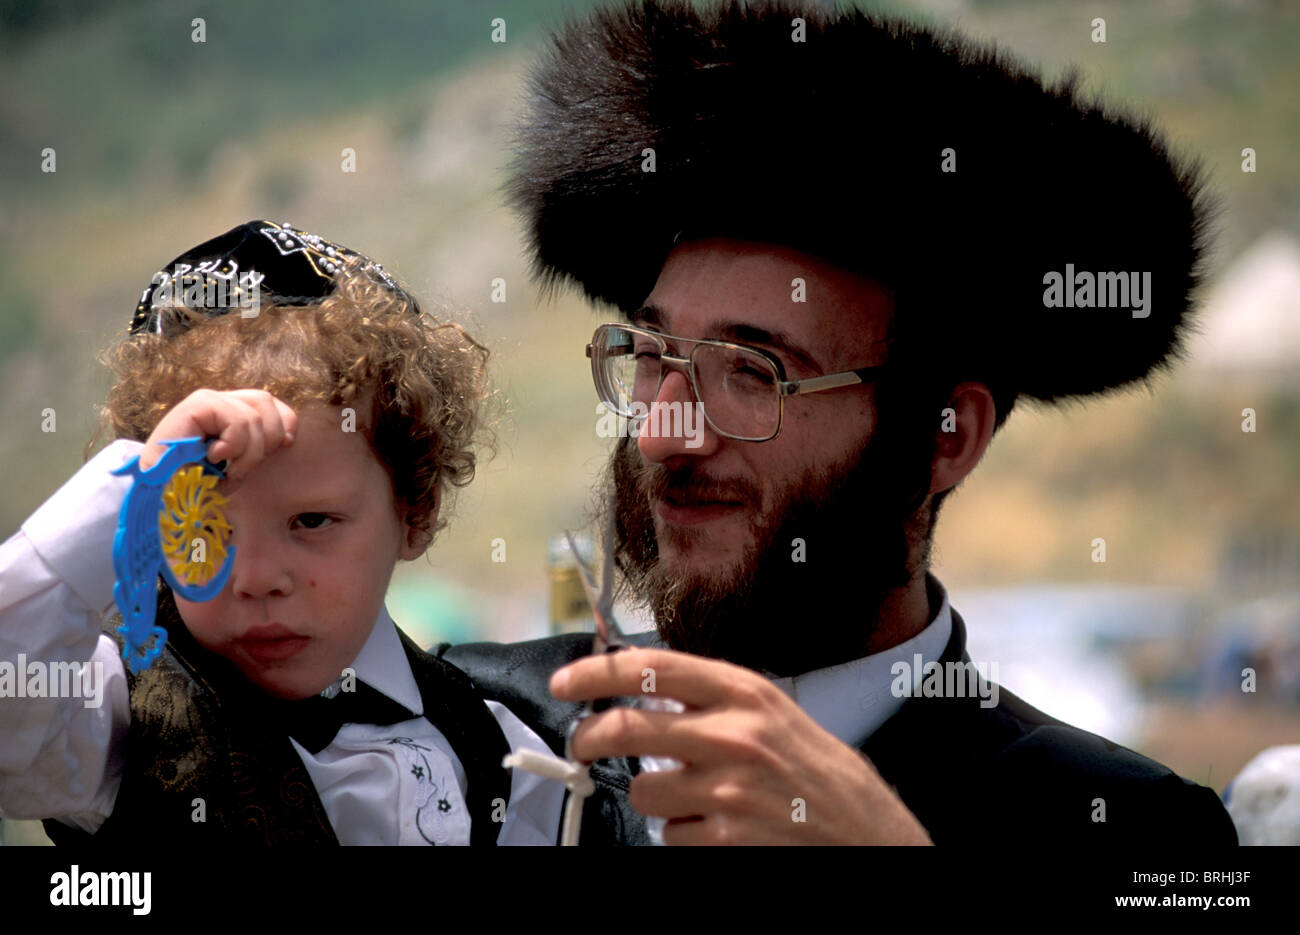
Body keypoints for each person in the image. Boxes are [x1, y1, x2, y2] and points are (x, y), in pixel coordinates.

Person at [441, 1, 1239, 845]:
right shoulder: (476, 729)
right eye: (651, 356)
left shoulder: (1130, 826)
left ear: (945, 436)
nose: (666, 433)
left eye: (755, 371)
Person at [0, 220, 564, 845]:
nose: (257, 577)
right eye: (203, 524)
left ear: (416, 510)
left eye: (311, 522)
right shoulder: (118, 717)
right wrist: (139, 481)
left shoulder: (506, 749)